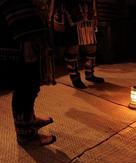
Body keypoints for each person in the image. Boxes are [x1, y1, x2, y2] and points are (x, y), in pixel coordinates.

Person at [0, 0, 56, 146]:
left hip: (22, 31)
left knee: (31, 82)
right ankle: (25, 134)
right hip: (18, 34)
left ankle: (29, 119)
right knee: (25, 84)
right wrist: (27, 40)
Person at [48, 0, 104, 89]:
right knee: (73, 46)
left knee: (91, 46)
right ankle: (75, 78)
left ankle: (90, 74)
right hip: (71, 13)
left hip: (87, 12)